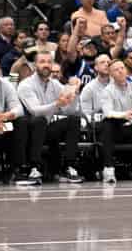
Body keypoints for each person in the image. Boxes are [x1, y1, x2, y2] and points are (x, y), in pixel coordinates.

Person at [16, 51, 83, 184]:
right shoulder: (26, 85)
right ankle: (34, 167)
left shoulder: (55, 84)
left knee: (73, 120)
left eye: (49, 62)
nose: (46, 65)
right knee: (39, 120)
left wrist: (74, 92)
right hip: (27, 130)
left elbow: (69, 110)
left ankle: (69, 167)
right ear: (35, 65)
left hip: (45, 128)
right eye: (42, 62)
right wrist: (57, 104)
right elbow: (35, 111)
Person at [98, 59, 132, 184]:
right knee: (107, 123)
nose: (120, 71)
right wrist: (123, 115)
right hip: (116, 129)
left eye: (122, 68)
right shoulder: (107, 91)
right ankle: (109, 168)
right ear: (111, 74)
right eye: (116, 70)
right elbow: (107, 112)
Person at [0, 60, 28, 184]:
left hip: (2, 125)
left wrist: (6, 115)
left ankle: (16, 169)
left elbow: (19, 109)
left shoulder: (6, 84)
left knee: (21, 121)